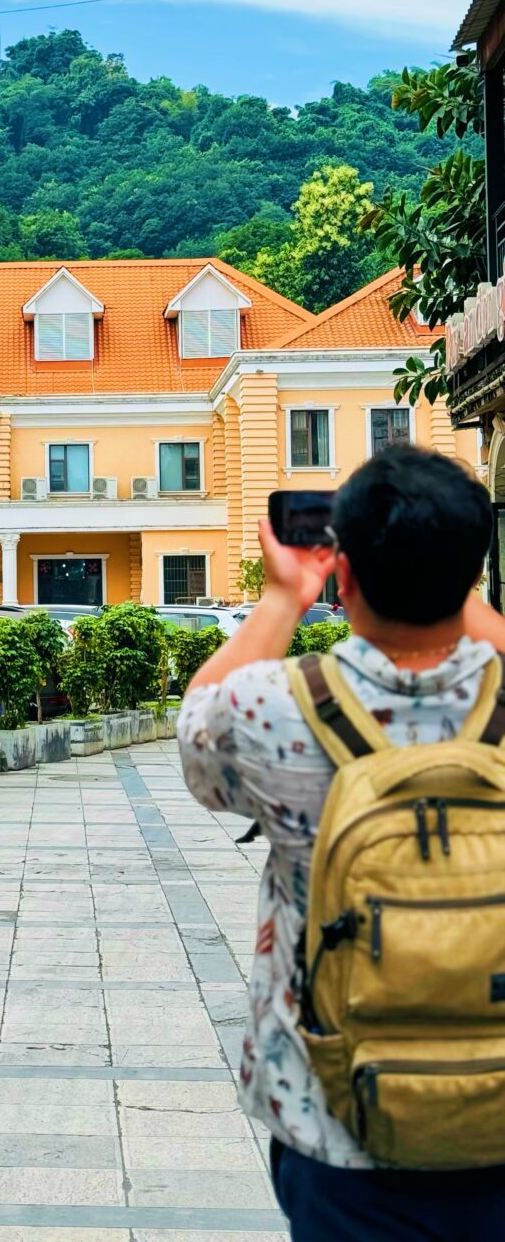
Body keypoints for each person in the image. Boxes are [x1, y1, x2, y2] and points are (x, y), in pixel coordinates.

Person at [178, 444, 505, 1238]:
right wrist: (452, 580)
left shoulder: (270, 708)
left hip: (334, 1121)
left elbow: (195, 725)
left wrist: (287, 597)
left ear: (345, 574)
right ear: (473, 574)